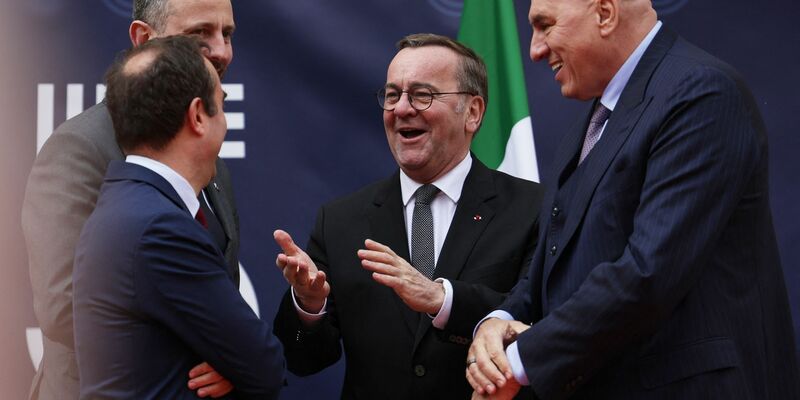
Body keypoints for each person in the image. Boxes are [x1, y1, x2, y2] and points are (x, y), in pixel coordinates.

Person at [467, 0, 800, 399]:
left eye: (545, 26)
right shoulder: (590, 124)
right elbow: (551, 265)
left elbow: (648, 272)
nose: (535, 50)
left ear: (605, 13)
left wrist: (517, 363)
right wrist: (501, 320)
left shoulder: (702, 94)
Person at [272, 33, 544, 399]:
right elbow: (303, 358)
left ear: (473, 112)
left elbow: (544, 325)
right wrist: (309, 304)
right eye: (392, 95)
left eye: (422, 95)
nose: (401, 109)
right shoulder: (340, 221)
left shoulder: (532, 208)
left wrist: (442, 299)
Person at [21, 0, 239, 398]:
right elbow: (65, 308)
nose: (221, 50)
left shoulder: (209, 155)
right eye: (200, 34)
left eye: (227, 34)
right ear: (143, 39)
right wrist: (216, 354)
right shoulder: (79, 148)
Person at [72, 35, 285, 399]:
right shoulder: (160, 227)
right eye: (223, 103)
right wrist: (236, 363)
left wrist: (232, 361)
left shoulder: (128, 204)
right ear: (198, 115)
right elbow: (264, 365)